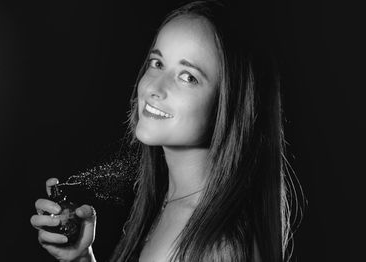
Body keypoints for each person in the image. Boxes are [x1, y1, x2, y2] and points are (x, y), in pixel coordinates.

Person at [31, 1, 298, 261]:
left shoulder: (218, 247)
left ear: (229, 104)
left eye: (187, 77)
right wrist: (80, 258)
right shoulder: (175, 203)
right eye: (157, 63)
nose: (153, 88)